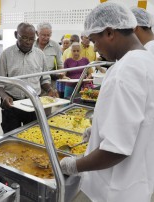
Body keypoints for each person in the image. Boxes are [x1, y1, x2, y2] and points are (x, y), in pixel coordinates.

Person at [60, 2, 154, 202]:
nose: (95, 48)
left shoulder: (125, 71)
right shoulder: (146, 61)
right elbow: (138, 119)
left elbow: (116, 150)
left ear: (110, 33)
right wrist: (99, 128)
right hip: (138, 181)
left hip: (115, 190)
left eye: (95, 40)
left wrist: (75, 165)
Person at [0, 22, 58, 133]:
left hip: (33, 103)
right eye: (24, 38)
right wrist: (4, 96)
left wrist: (49, 90)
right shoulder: (6, 55)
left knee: (33, 135)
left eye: (31, 39)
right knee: (11, 138)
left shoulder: (39, 55)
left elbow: (44, 79)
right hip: (11, 104)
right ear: (16, 35)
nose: (28, 42)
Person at [34, 22, 63, 91]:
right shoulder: (31, 45)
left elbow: (60, 65)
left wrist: (60, 74)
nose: (46, 38)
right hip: (34, 81)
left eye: (48, 35)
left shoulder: (55, 46)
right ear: (37, 33)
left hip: (50, 82)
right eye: (43, 35)